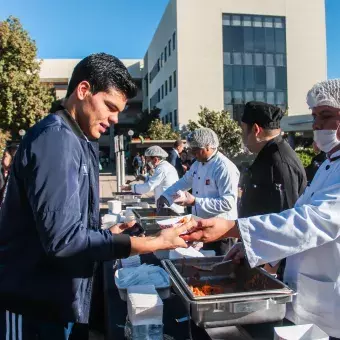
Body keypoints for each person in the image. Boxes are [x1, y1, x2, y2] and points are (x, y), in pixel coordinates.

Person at [0, 53, 189, 340]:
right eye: (110, 106)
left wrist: (108, 233)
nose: (114, 119)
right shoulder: (56, 139)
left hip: (60, 298)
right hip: (34, 303)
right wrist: (148, 243)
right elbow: (63, 242)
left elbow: (66, 225)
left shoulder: (79, 138)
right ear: (83, 90)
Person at [181, 79, 340, 339]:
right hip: (303, 284)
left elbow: (312, 221)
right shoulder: (329, 164)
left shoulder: (286, 161)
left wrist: (235, 229)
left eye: (326, 116)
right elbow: (297, 211)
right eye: (315, 116)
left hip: (329, 298)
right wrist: (253, 248)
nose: (317, 125)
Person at [239, 102, 307, 277]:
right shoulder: (268, 155)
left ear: (255, 129)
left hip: (275, 266)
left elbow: (288, 218)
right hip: (260, 252)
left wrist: (271, 265)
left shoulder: (279, 161)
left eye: (242, 130)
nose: (241, 136)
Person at [158, 128, 240, 255]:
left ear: (207, 147)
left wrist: (195, 201)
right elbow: (184, 182)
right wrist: (165, 196)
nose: (192, 154)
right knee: (206, 264)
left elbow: (228, 203)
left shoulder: (224, 168)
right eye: (191, 150)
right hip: (204, 226)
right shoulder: (198, 164)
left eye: (195, 150)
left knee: (220, 265)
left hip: (223, 231)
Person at [122, 146, 184, 214]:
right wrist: (144, 178)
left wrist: (131, 187)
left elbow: (149, 186)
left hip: (171, 208)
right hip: (166, 205)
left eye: (148, 160)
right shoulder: (162, 166)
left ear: (155, 159)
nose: (148, 163)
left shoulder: (162, 169)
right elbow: (155, 180)